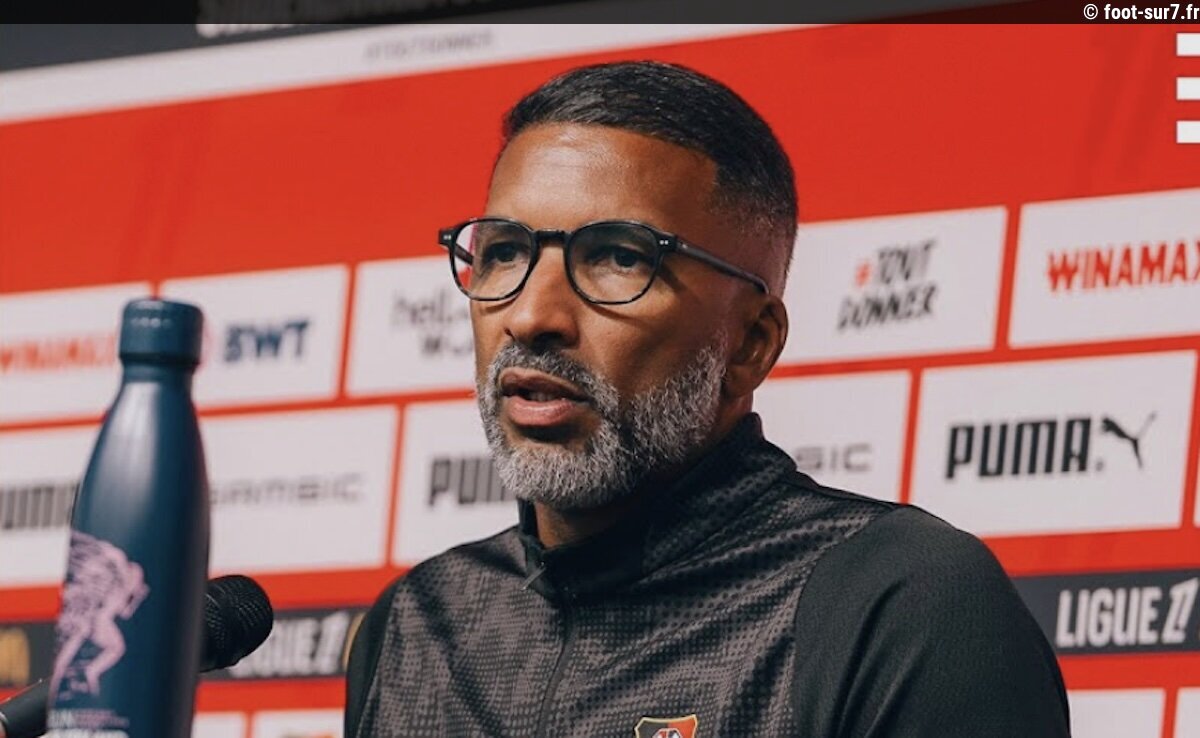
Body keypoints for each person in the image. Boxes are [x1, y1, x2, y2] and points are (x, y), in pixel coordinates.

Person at [345, 60, 1070, 737]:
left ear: (750, 342)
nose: (532, 316)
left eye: (618, 257)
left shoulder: (901, 606)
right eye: (504, 251)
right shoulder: (414, 626)